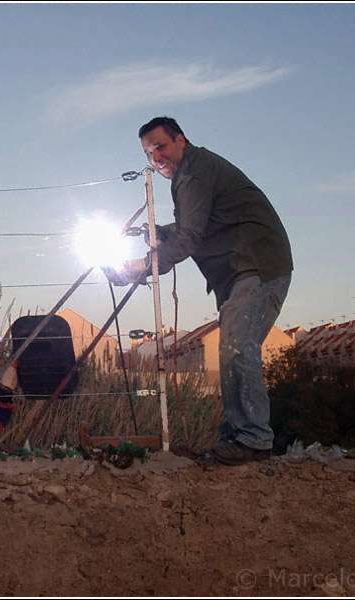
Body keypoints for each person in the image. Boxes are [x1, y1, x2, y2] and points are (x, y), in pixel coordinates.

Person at [108, 116, 293, 466]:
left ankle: (254, 440)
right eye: (148, 153)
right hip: (245, 270)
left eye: (160, 146)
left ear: (180, 139)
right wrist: (161, 232)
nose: (156, 157)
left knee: (238, 348)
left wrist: (137, 267)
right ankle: (239, 436)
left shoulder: (193, 174)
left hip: (257, 266)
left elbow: (190, 238)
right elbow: (200, 224)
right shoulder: (193, 172)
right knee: (233, 350)